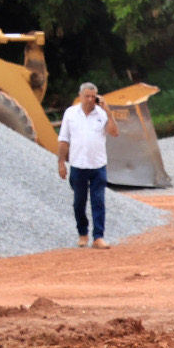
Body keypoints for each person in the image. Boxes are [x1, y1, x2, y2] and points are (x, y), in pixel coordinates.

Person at [58, 82, 111, 249]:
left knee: (98, 201)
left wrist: (109, 112)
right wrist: (61, 162)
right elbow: (64, 139)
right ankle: (83, 233)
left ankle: (98, 237)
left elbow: (115, 132)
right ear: (80, 96)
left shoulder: (102, 114)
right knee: (79, 202)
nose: (89, 99)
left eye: (92, 96)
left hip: (98, 164)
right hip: (78, 164)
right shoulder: (71, 113)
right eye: (86, 96)